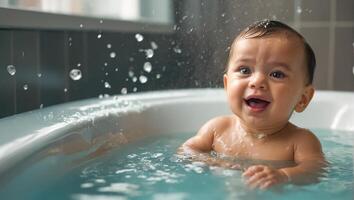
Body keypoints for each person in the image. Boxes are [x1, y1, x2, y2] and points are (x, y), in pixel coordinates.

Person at [180, 19, 326, 189]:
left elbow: (316, 171)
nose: (257, 82)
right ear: (227, 86)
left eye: (277, 74)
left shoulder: (301, 141)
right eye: (245, 70)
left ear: (302, 99)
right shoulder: (216, 129)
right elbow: (186, 151)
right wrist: (213, 162)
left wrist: (284, 175)